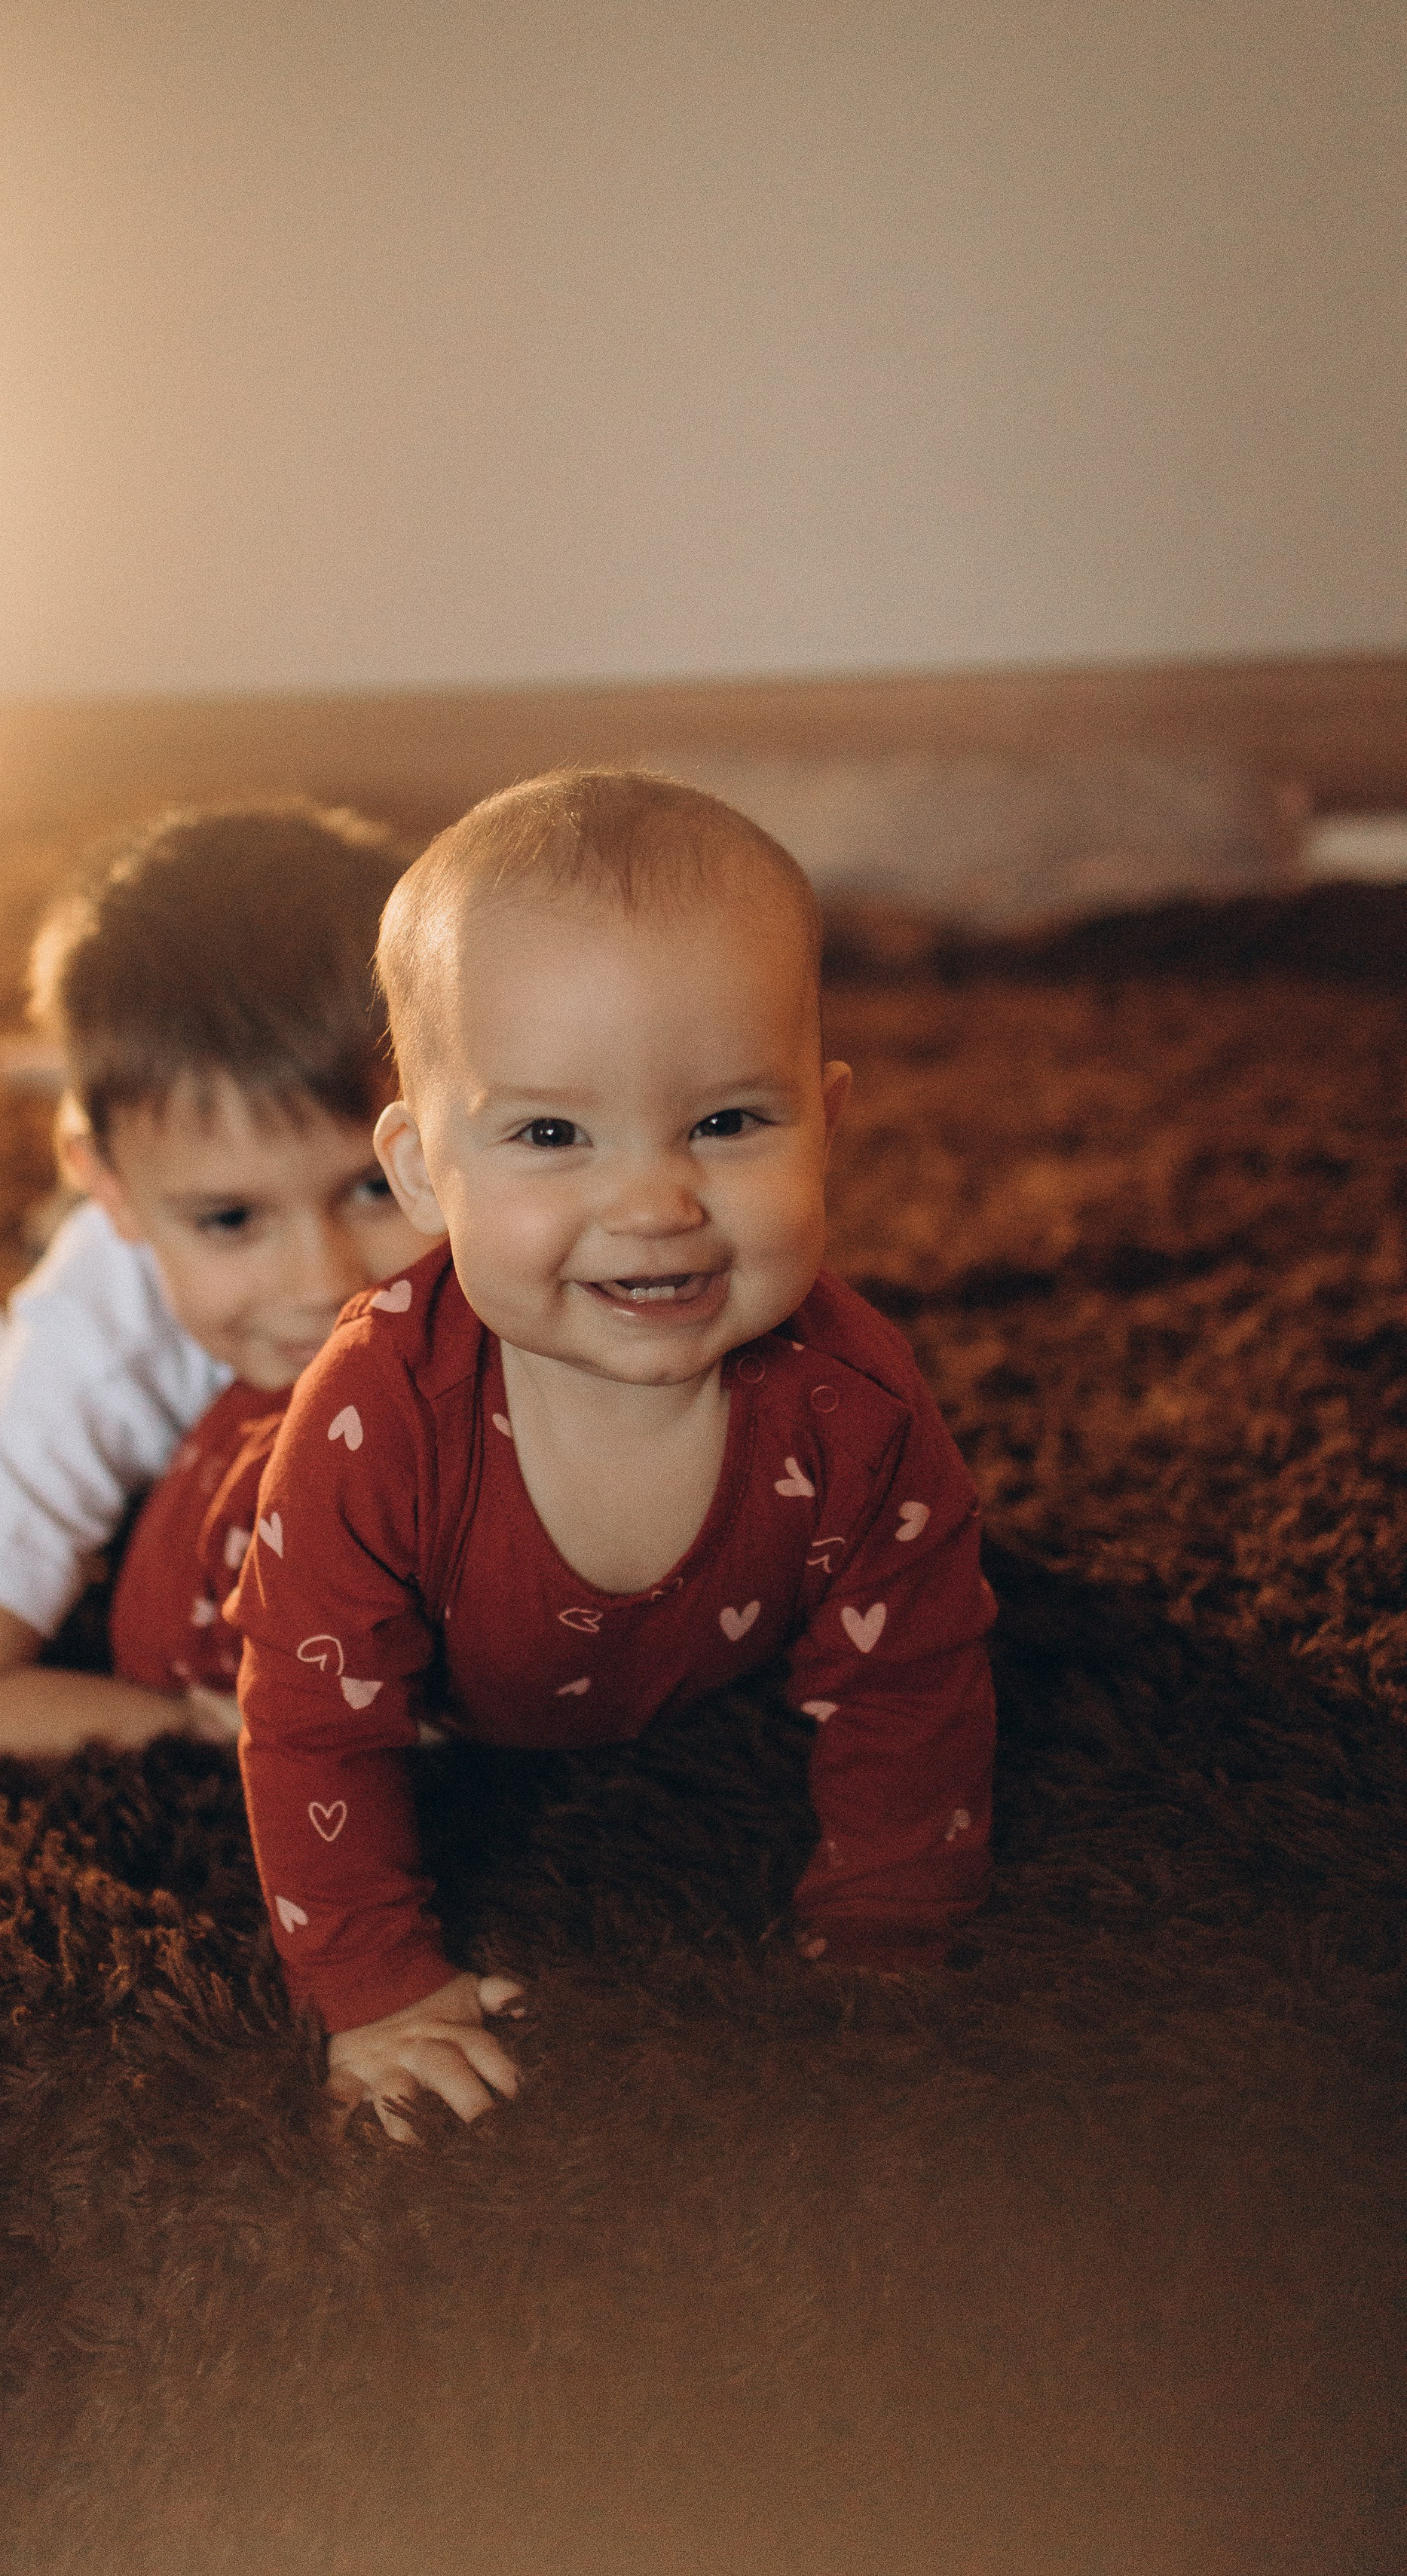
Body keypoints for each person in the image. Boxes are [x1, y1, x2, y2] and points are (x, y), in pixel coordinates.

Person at [228, 768, 997, 2136]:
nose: (653, 1202)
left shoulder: (858, 1407)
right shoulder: (373, 1419)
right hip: (236, 1577)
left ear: (829, 1123)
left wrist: (884, 1938)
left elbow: (914, 1682)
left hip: (599, 1670)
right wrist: (378, 1995)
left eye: (725, 1123)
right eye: (550, 1133)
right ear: (418, 1172)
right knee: (192, 1602)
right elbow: (308, 1726)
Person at [0, 801, 430, 1761]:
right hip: (88, 1246)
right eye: (231, 1219)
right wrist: (205, 1731)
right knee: (59, 1228)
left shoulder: (498, 1220)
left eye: (376, 1187)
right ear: (118, 1196)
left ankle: (84, 1084)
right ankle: (71, 1102)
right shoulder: (90, 1353)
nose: (324, 1284)